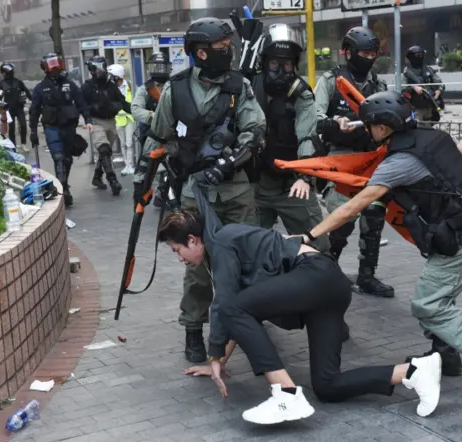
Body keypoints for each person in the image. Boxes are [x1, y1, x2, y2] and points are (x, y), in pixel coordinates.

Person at [157, 181, 443, 424]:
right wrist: (216, 360)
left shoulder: (220, 241)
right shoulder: (220, 248)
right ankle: (415, 371)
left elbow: (228, 306)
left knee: (232, 305)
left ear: (193, 240)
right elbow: (240, 317)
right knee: (328, 385)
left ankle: (286, 395)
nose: (180, 258)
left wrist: (215, 355)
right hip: (328, 288)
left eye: (177, 250)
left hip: (315, 276)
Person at [301, 91, 462, 388]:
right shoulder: (433, 135)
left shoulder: (398, 162)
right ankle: (445, 354)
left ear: (382, 128)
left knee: (427, 304)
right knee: (440, 291)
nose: (367, 131)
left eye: (369, 126)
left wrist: (312, 234)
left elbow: (353, 207)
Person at [134, 17, 265, 363]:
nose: (229, 53)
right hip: (195, 193)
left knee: (247, 262)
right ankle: (194, 329)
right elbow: (158, 137)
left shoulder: (240, 87)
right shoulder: (175, 89)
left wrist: (233, 160)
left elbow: (255, 129)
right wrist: (142, 179)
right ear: (202, 53)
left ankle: (250, 327)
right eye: (223, 49)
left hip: (236, 190)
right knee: (197, 268)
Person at [314, 26, 394, 299]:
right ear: (348, 53)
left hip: (372, 159)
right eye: (363, 52)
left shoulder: (378, 85)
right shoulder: (330, 81)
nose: (369, 57)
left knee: (373, 217)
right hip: (342, 158)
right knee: (341, 219)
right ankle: (329, 266)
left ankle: (367, 275)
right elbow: (314, 116)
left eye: (373, 53)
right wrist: (335, 124)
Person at [250, 24, 331, 255]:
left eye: (287, 64)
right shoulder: (248, 89)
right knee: (247, 248)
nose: (281, 71)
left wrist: (305, 177)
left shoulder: (302, 95)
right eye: (275, 64)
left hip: (292, 184)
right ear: (264, 63)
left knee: (320, 245)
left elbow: (308, 135)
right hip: (256, 184)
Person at [29, 53, 92, 207]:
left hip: (69, 127)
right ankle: (62, 189)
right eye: (51, 64)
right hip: (52, 127)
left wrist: (88, 120)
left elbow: (81, 102)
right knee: (58, 157)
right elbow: (34, 110)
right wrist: (32, 131)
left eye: (57, 63)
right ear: (45, 68)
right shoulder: (40, 88)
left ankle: (64, 184)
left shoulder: (70, 84)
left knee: (67, 159)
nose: (55, 67)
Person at [82, 55, 129, 195]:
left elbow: (122, 101)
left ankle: (97, 177)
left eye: (102, 67)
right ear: (91, 69)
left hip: (111, 122)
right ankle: (113, 180)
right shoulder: (87, 87)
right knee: (103, 149)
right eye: (97, 68)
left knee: (106, 153)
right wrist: (88, 119)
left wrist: (137, 112)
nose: (100, 71)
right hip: (96, 122)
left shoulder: (111, 85)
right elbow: (82, 105)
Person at [131, 52, 171, 207]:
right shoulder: (146, 89)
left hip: (172, 134)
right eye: (156, 66)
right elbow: (135, 109)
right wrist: (154, 116)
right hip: (152, 136)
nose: (160, 70)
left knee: (173, 166)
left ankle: (163, 193)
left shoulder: (173, 86)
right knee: (143, 167)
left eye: (163, 67)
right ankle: (139, 198)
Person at [402, 46, 445, 122]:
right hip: (416, 108)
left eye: (421, 54)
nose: (420, 57)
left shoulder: (428, 69)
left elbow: (440, 83)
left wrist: (439, 91)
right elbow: (402, 89)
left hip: (431, 106)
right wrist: (414, 87)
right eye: (417, 55)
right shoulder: (407, 73)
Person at [107, 63, 136, 176]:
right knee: (123, 144)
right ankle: (126, 165)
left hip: (129, 119)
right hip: (118, 119)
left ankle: (131, 165)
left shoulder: (129, 85)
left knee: (129, 143)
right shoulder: (111, 88)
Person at [0, 62, 32, 152]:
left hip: (19, 108)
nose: (13, 72)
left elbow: (27, 92)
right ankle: (13, 145)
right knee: (12, 127)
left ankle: (23, 144)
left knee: (23, 125)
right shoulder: (2, 84)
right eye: (10, 71)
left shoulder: (18, 82)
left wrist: (33, 100)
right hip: (9, 109)